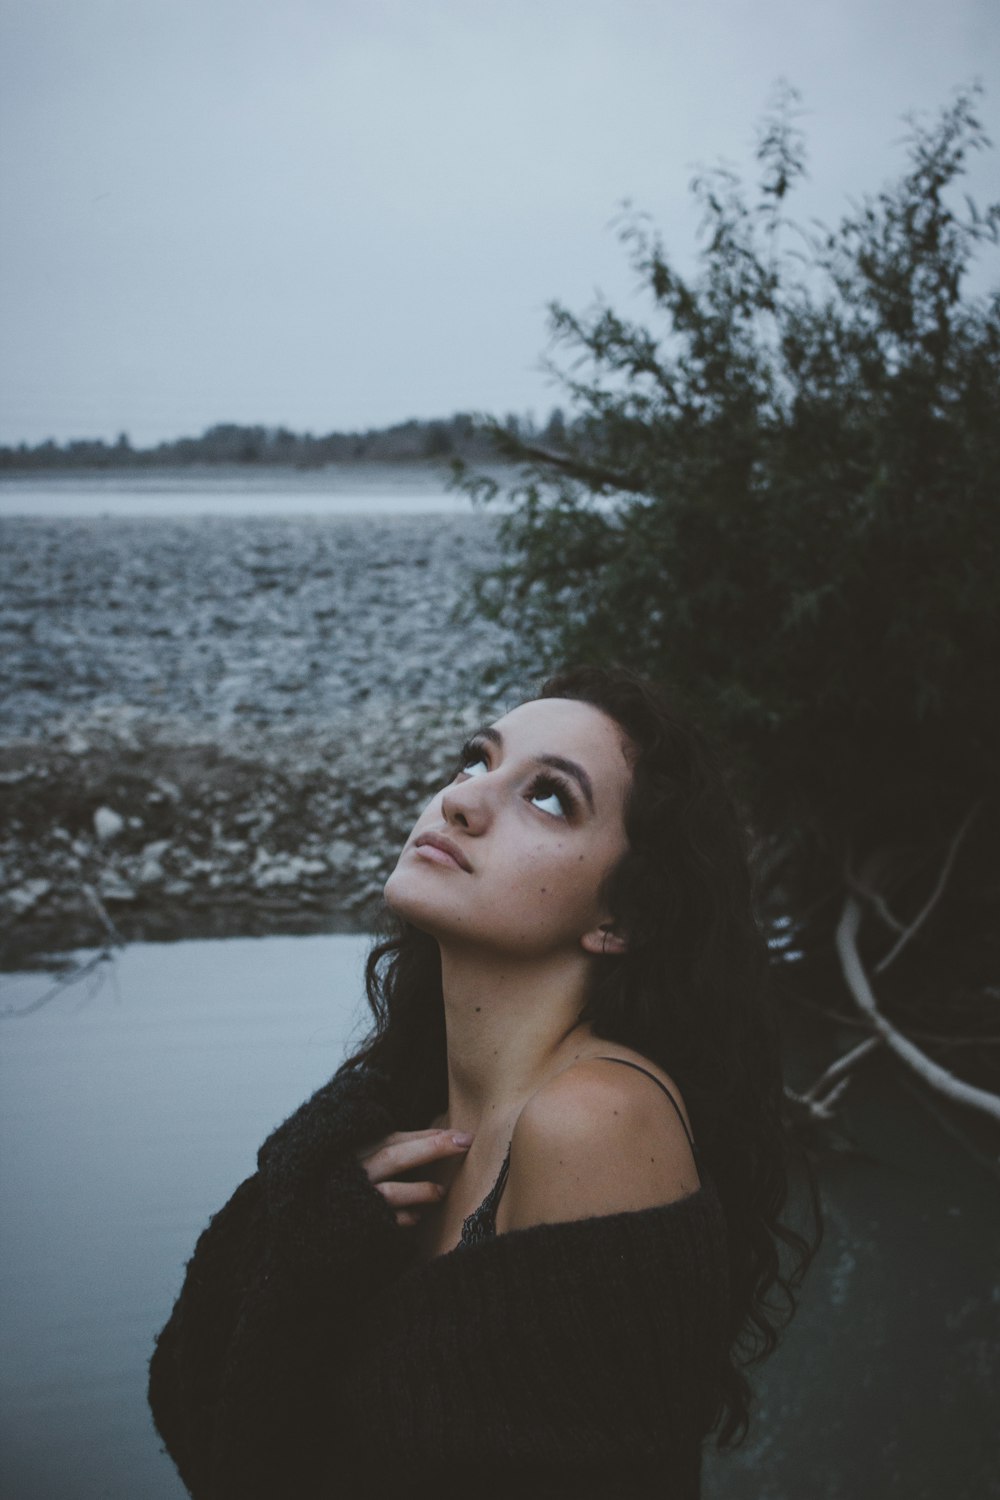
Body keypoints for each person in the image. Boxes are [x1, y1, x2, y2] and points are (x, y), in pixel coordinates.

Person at [148, 664, 818, 1499]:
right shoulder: (401, 1106)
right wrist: (313, 1245)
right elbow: (194, 1402)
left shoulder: (599, 1121)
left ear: (623, 918)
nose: (462, 801)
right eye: (476, 760)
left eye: (548, 797)